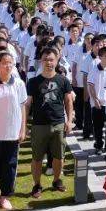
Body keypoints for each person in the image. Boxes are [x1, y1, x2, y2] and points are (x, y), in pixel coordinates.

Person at [24, 47, 74, 198]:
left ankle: (57, 180)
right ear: (41, 61)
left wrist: (69, 120)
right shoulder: (33, 82)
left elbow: (68, 100)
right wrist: (24, 125)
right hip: (39, 125)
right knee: (37, 158)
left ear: (57, 60)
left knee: (59, 156)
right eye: (45, 59)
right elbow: (27, 104)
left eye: (51, 59)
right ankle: (37, 184)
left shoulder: (63, 80)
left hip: (58, 123)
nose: (48, 62)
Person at [0, 51, 27, 211]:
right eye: (4, 63)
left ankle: (5, 196)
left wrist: (23, 128)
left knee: (9, 165)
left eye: (10, 63)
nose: (8, 66)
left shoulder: (19, 84)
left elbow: (23, 107)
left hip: (12, 131)